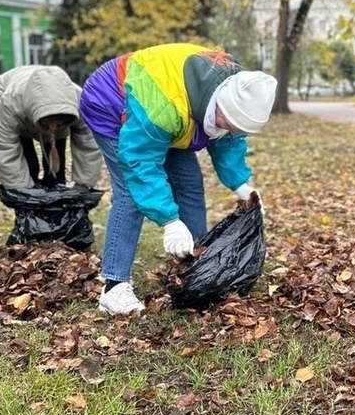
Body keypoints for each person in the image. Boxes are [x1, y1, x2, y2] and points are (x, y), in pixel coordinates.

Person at [80, 43, 277, 315]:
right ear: (218, 103)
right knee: (129, 193)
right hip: (112, 100)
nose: (230, 130)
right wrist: (169, 220)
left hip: (173, 114)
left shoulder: (242, 94)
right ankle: (114, 287)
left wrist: (240, 184)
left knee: (191, 184)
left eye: (237, 128)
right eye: (228, 122)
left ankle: (196, 264)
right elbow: (140, 163)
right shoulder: (165, 107)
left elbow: (229, 141)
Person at [0, 65, 103, 190]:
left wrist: (83, 185)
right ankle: (30, 191)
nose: (52, 129)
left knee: (55, 173)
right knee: (30, 166)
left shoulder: (80, 102)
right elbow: (5, 148)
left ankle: (55, 191)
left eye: (57, 124)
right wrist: (23, 192)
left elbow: (89, 144)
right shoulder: (10, 103)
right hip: (8, 99)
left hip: (56, 112)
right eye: (49, 123)